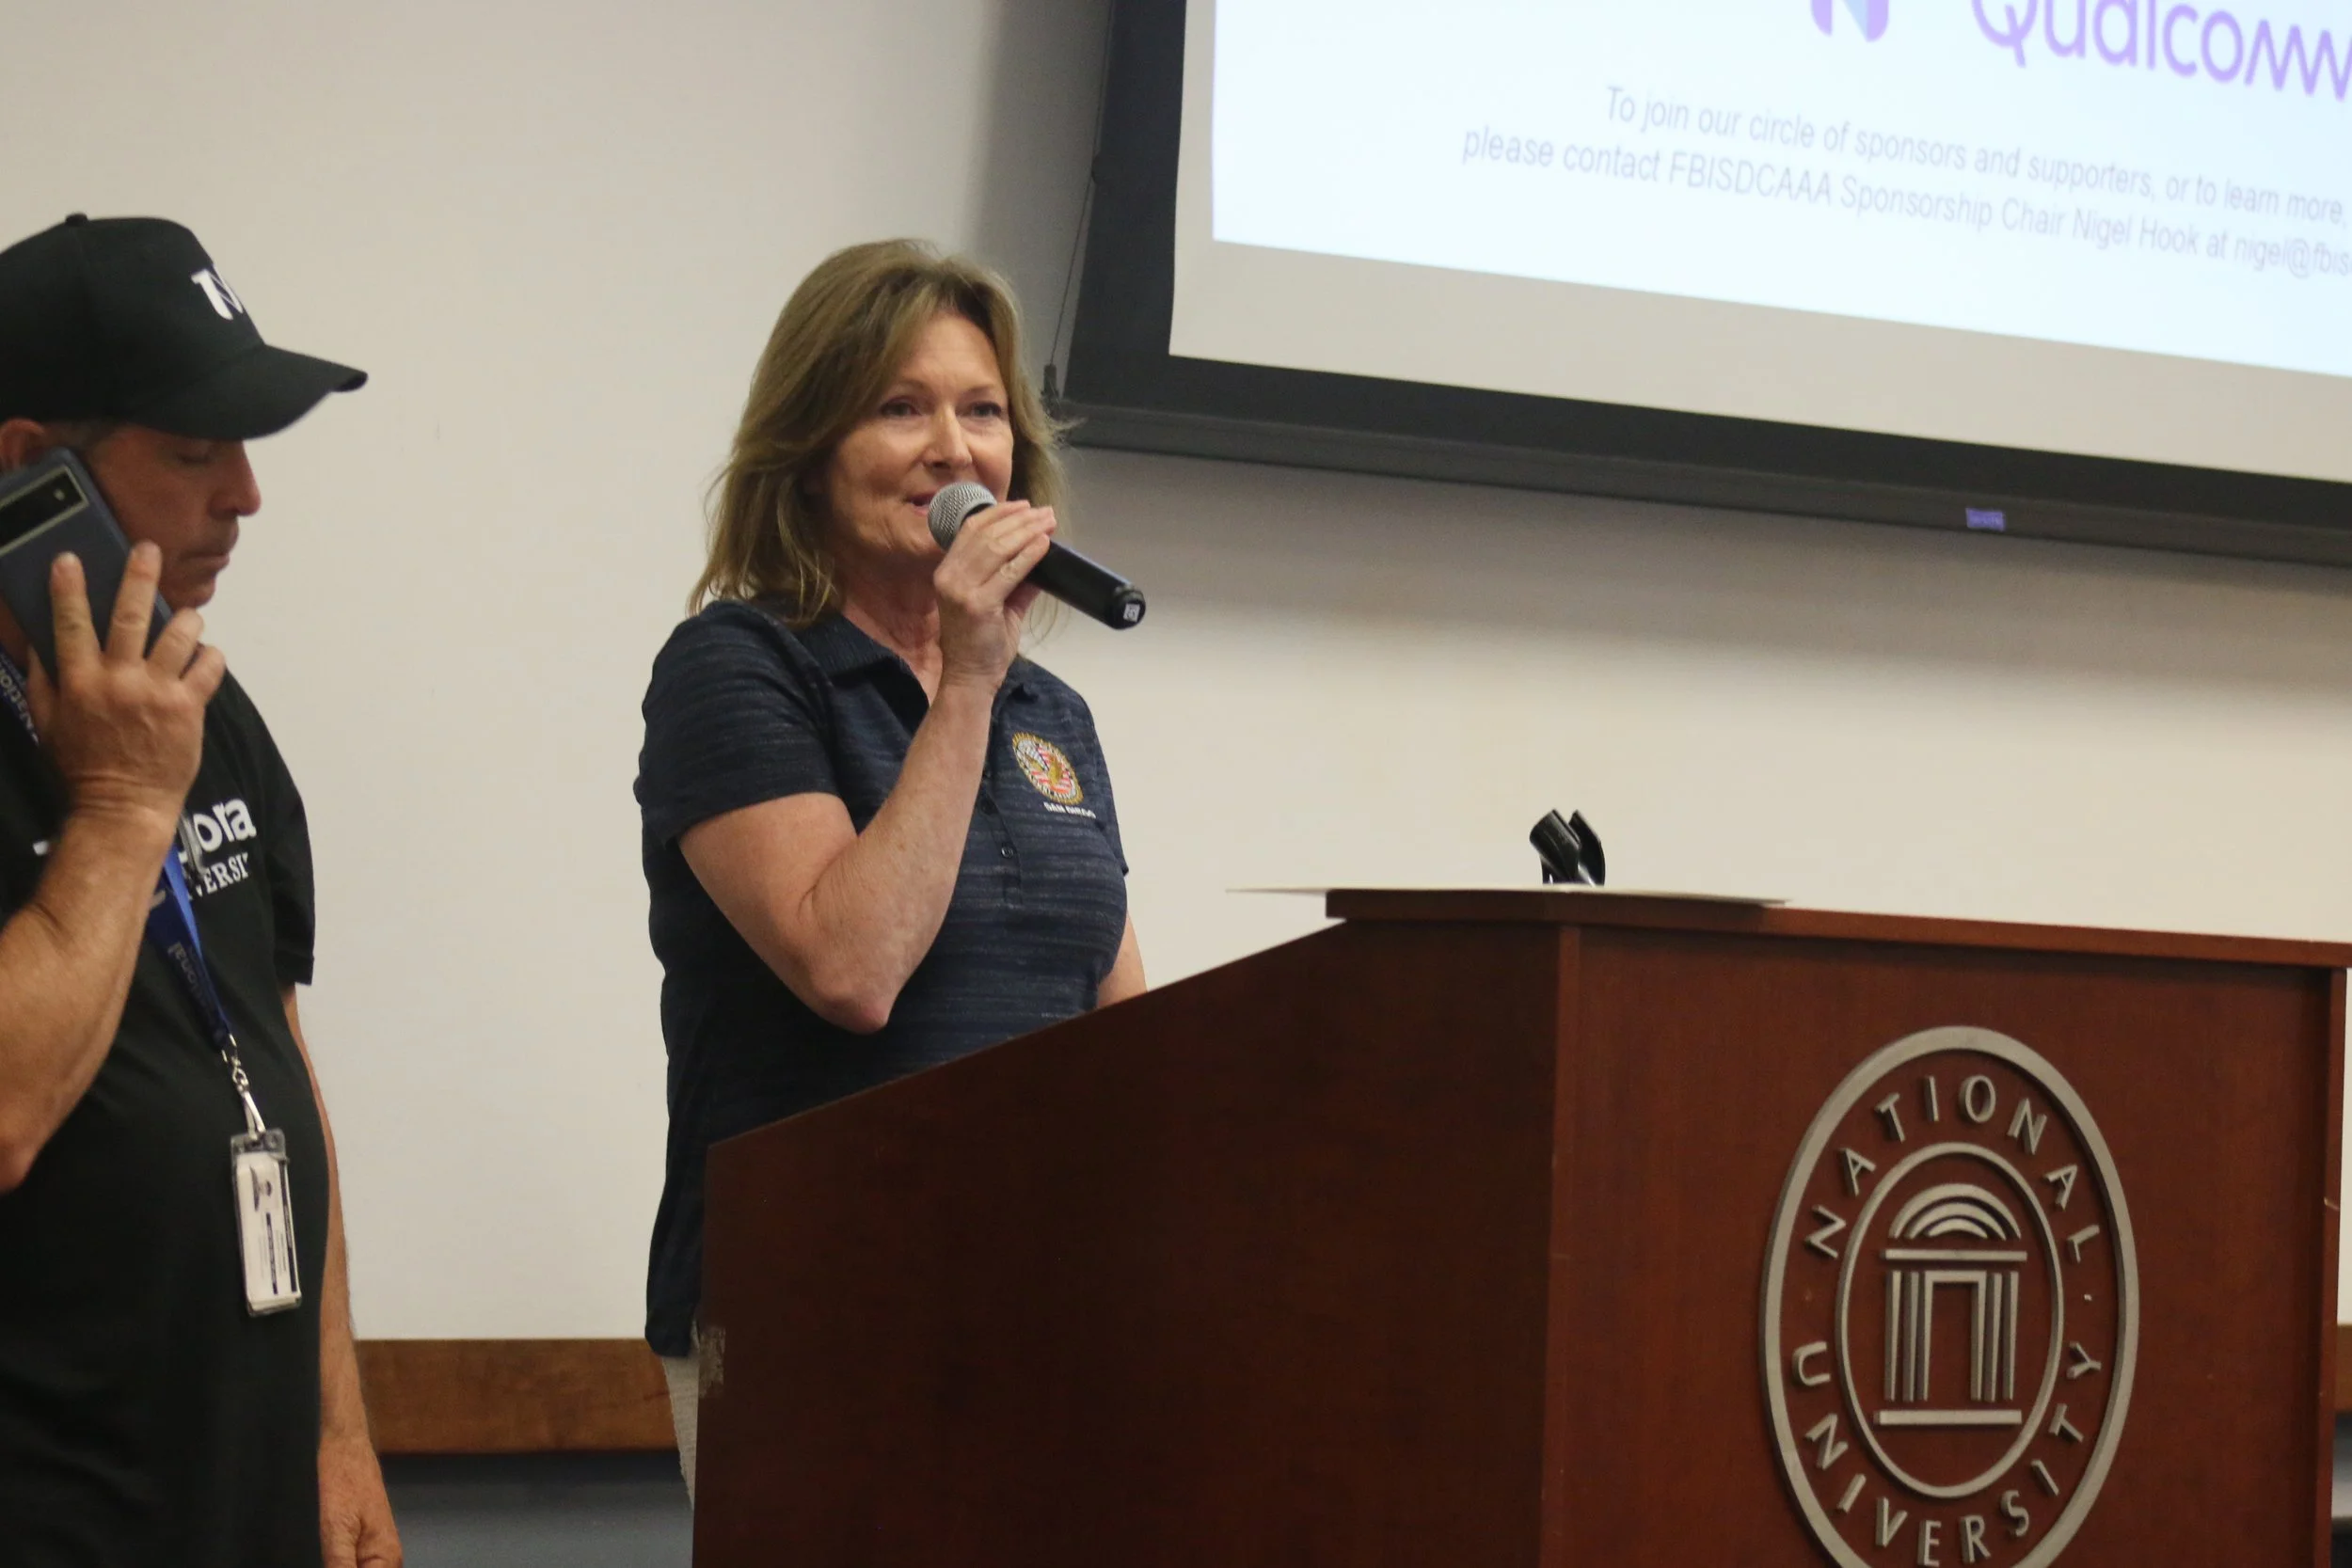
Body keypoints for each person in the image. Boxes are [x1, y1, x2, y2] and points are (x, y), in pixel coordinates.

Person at [635, 239, 1146, 1495]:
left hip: (1040, 1318)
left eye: (982, 412)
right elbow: (852, 967)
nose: (952, 449)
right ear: (810, 452)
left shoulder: (1050, 713)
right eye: (899, 408)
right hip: (812, 1317)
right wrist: (966, 678)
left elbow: (1125, 1031)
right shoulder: (738, 667)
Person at [0, 215, 398, 1567]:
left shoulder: (201, 705)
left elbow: (278, 1058)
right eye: (189, 451)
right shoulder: (141, 753)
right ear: (26, 470)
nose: (244, 494)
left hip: (248, 1485)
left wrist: (339, 1433)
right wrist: (117, 808)